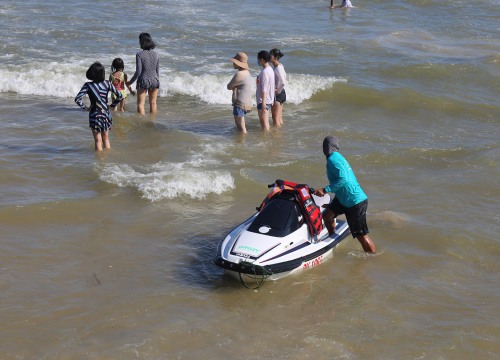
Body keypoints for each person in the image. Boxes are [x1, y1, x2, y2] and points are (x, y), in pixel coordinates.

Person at [314, 136, 376, 253]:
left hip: (354, 201)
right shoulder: (337, 157)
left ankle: (372, 258)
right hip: (343, 198)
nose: (323, 149)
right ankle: (333, 240)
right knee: (327, 215)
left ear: (327, 148)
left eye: (325, 146)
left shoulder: (333, 159)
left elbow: (344, 180)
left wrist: (325, 190)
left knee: (361, 235)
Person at [75, 62, 122, 151]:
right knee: (106, 138)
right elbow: (119, 95)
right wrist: (112, 106)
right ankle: (107, 158)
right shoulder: (107, 83)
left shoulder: (88, 85)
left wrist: (86, 108)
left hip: (95, 115)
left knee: (98, 140)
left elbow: (77, 99)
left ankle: (100, 161)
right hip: (106, 114)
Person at [126, 33, 160, 115]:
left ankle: (142, 124)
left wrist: (130, 82)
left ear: (141, 42)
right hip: (155, 80)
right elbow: (157, 71)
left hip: (143, 81)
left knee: (141, 105)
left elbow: (138, 72)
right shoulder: (156, 54)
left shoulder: (139, 55)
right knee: (153, 103)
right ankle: (151, 122)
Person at [227, 52, 253, 133]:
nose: (233, 63)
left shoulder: (239, 74)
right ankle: (241, 143)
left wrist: (234, 87)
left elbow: (229, 86)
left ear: (238, 63)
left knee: (241, 127)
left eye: (234, 62)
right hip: (247, 102)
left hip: (240, 103)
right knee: (241, 126)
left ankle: (241, 144)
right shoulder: (247, 72)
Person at [256, 50, 275, 131]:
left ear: (262, 59)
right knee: (265, 123)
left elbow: (265, 87)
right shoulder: (270, 69)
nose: (258, 61)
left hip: (264, 101)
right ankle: (267, 139)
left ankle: (266, 141)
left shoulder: (265, 72)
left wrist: (263, 102)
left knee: (264, 124)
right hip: (268, 99)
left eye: (258, 59)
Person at [270, 48, 286, 128]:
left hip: (278, 94)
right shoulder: (280, 65)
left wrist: (277, 91)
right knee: (279, 119)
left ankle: (277, 138)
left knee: (275, 120)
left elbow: (283, 82)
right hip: (282, 93)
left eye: (271, 55)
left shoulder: (278, 68)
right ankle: (280, 136)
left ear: (275, 57)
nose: (269, 56)